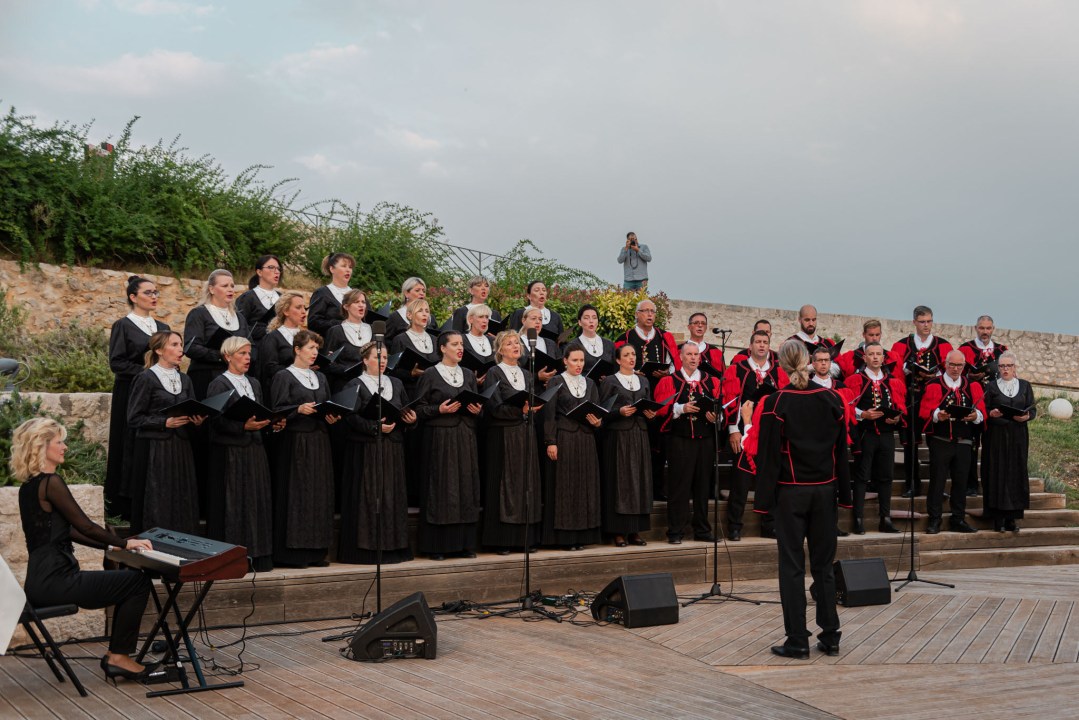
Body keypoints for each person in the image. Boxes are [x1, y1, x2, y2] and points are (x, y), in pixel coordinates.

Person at [12, 417, 157, 683]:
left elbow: (68, 531)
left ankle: (119, 655)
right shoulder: (50, 482)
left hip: (39, 583)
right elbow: (86, 526)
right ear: (42, 447)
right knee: (137, 582)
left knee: (131, 580)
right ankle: (119, 658)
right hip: (59, 582)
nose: (65, 446)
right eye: (59, 441)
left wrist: (112, 545)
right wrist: (127, 543)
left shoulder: (29, 487)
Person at [752, 340, 851, 660]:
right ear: (808, 362)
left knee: (792, 567)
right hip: (825, 491)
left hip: (791, 492)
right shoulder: (832, 398)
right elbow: (842, 452)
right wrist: (845, 493)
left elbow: (767, 456)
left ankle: (797, 639)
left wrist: (763, 502)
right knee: (823, 565)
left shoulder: (775, 402)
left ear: (781, 365)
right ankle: (831, 635)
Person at [338, 342, 417, 564]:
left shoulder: (397, 383)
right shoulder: (355, 384)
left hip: (392, 448)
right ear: (364, 360)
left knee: (392, 497)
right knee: (369, 497)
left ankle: (393, 548)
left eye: (385, 358)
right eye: (377, 357)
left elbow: (402, 411)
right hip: (366, 450)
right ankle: (367, 550)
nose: (382, 361)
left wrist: (410, 420)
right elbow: (350, 418)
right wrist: (374, 427)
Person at [205, 337, 278, 572]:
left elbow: (259, 413)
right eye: (243, 354)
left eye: (249, 354)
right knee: (235, 503)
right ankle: (233, 558)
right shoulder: (218, 384)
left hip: (255, 450)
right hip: (231, 452)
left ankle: (258, 555)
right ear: (228, 356)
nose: (248, 358)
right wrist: (242, 427)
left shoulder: (254, 383)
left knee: (257, 501)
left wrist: (272, 423)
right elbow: (214, 422)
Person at [268, 330, 340, 567]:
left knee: (319, 494)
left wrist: (330, 417)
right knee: (297, 494)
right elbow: (276, 409)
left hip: (320, 441)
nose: (314, 353)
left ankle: (316, 551)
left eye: (317, 349)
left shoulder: (320, 378)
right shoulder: (283, 376)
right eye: (310, 348)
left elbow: (326, 404)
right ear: (297, 350)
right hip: (296, 442)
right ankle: (294, 554)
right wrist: (297, 410)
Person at [412, 331, 484, 561]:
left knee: (465, 487)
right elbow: (418, 409)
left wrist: (477, 411)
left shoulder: (467, 375)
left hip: (466, 437)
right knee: (442, 489)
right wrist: (439, 410)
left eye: (461, 344)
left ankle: (463, 544)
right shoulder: (430, 375)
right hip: (440, 439)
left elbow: (477, 404)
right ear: (442, 348)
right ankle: (437, 545)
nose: (460, 348)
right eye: (455, 344)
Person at [126, 331, 204, 535]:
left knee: (182, 497)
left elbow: (190, 408)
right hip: (155, 448)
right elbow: (134, 418)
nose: (181, 349)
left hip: (181, 448)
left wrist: (196, 420)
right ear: (159, 350)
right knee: (158, 498)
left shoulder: (185, 380)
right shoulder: (146, 378)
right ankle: (156, 549)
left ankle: (184, 548)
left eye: (181, 344)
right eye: (175, 345)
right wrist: (164, 422)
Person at [106, 276, 169, 521]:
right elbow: (117, 362)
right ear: (133, 297)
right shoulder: (123, 325)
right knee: (127, 444)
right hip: (130, 392)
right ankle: (124, 507)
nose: (154, 296)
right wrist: (148, 372)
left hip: (157, 394)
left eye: (156, 292)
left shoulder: (162, 327)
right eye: (148, 292)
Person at [481, 331, 546, 554]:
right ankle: (502, 540)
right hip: (503, 435)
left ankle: (524, 538)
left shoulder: (527, 374)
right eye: (509, 343)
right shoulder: (493, 372)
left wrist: (532, 410)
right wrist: (521, 410)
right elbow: (493, 407)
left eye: (517, 342)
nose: (515, 346)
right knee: (504, 486)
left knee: (526, 484)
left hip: (525, 433)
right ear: (499, 350)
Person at [723, 329, 788, 540]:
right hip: (743, 432)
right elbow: (731, 401)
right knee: (740, 482)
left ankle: (769, 526)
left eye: (765, 342)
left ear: (769, 346)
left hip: (770, 433)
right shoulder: (737, 369)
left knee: (770, 480)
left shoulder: (779, 371)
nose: (761, 345)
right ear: (750, 346)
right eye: (758, 342)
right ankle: (734, 527)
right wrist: (733, 430)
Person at [653, 344, 721, 544]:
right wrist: (681, 409)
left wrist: (715, 416)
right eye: (689, 354)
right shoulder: (669, 381)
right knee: (679, 487)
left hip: (705, 441)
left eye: (696, 354)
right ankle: (675, 531)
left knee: (702, 488)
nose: (693, 358)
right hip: (680, 441)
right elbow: (659, 410)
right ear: (680, 357)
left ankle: (702, 530)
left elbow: (721, 410)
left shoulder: (711, 381)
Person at [614, 299, 680, 501]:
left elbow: (675, 365)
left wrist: (666, 372)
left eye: (653, 311)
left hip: (660, 395)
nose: (650, 315)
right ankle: (635, 491)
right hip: (633, 395)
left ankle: (657, 489)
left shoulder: (664, 337)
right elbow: (615, 368)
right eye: (645, 311)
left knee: (658, 445)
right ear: (636, 314)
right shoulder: (624, 337)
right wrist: (633, 372)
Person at [543, 342, 603, 550]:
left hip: (586, 439)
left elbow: (596, 412)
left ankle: (583, 535)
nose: (579, 364)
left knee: (584, 485)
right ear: (565, 361)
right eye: (575, 360)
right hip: (565, 438)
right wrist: (551, 441)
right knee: (565, 485)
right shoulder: (556, 382)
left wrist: (597, 423)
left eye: (582, 360)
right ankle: (566, 537)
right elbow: (549, 414)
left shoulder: (591, 383)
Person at [918, 350, 985, 534]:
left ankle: (958, 519)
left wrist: (975, 416)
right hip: (941, 441)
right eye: (952, 365)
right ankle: (934, 520)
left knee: (961, 482)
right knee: (937, 482)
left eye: (960, 366)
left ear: (964, 367)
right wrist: (937, 415)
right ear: (945, 365)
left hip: (964, 441)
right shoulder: (933, 385)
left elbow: (982, 413)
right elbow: (924, 413)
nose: (956, 369)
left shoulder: (973, 387)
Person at [891, 306, 953, 498]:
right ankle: (912, 485)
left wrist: (936, 374)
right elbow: (894, 375)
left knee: (937, 444)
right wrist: (908, 371)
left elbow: (950, 371)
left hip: (935, 400)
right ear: (915, 322)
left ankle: (938, 487)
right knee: (910, 444)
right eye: (923, 322)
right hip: (911, 398)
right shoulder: (901, 345)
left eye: (929, 321)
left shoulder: (943, 345)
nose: (927, 325)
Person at [844, 342, 905, 534]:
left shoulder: (893, 381)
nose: (876, 357)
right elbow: (847, 407)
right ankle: (858, 520)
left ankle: (885, 519)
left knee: (886, 477)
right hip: (865, 434)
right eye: (871, 354)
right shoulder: (855, 380)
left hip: (887, 434)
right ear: (865, 357)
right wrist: (863, 414)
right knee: (862, 477)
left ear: (884, 358)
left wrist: (897, 416)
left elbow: (899, 406)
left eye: (879, 354)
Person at [599, 344, 656, 547]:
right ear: (617, 360)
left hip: (639, 435)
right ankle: (618, 531)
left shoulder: (643, 380)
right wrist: (618, 412)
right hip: (618, 437)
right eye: (626, 355)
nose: (631, 358)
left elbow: (648, 404)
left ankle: (635, 530)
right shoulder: (610, 381)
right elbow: (602, 412)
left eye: (633, 354)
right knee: (620, 482)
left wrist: (651, 414)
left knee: (639, 481)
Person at [388, 298, 442, 507]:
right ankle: (412, 494)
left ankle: (430, 491)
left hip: (432, 397)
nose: (425, 314)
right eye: (420, 310)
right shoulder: (401, 339)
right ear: (409, 315)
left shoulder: (435, 339)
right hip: (411, 393)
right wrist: (410, 373)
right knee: (414, 444)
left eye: (427, 311)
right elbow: (392, 370)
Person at [981, 352, 1035, 533]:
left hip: (1018, 435)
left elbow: (1031, 409)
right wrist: (991, 414)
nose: (1005, 369)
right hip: (996, 436)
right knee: (997, 472)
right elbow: (984, 410)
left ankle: (1012, 518)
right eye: (1002, 366)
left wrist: (1027, 416)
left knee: (1016, 473)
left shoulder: (1025, 386)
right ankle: (997, 518)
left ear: (1014, 368)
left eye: (1008, 366)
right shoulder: (990, 387)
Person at [958, 315, 1009, 498]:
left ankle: (992, 483)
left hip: (995, 405)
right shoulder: (965, 349)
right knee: (971, 446)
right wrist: (969, 378)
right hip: (972, 404)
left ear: (993, 328)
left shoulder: (1002, 350)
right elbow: (955, 376)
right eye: (981, 328)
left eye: (988, 328)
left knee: (993, 447)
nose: (985, 331)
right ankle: (971, 484)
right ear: (976, 328)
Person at [182, 269, 250, 399]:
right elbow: (191, 347)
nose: (230, 289)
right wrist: (224, 356)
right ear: (212, 289)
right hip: (206, 375)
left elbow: (252, 346)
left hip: (235, 377)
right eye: (225, 286)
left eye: (232, 286)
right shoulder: (199, 313)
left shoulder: (240, 318)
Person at [234, 254, 283, 365]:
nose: (277, 272)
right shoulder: (247, 298)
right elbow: (240, 328)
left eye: (278, 269)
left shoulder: (282, 298)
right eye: (271, 267)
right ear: (259, 272)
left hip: (278, 354)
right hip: (256, 354)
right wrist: (270, 329)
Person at [324, 289, 373, 393]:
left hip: (369, 387)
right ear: (346, 306)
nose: (361, 305)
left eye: (363, 302)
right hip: (344, 386)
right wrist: (346, 370)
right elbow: (327, 364)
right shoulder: (335, 331)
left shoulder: (373, 330)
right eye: (356, 302)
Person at [258, 292, 308, 392]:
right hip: (283, 391)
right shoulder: (272, 338)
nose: (304, 312)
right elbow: (269, 370)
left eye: (304, 308)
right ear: (286, 311)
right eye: (298, 307)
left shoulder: (307, 338)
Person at [306, 253, 355, 337]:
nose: (348, 270)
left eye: (350, 267)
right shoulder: (322, 293)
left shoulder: (357, 294)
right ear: (332, 269)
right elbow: (313, 323)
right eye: (343, 266)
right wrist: (339, 323)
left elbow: (369, 319)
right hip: (331, 345)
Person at [836, 320, 902, 380]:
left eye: (877, 335)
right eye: (871, 335)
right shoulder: (851, 357)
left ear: (881, 334)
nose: (874, 338)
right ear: (864, 335)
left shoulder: (890, 357)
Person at [386, 276, 439, 343]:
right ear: (406, 294)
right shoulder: (395, 317)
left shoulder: (430, 318)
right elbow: (386, 342)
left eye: (424, 291)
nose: (422, 293)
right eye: (417, 290)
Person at [519, 306, 562, 385]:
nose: (537, 322)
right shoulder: (516, 343)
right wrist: (536, 376)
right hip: (527, 391)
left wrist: (553, 379)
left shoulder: (551, 344)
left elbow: (561, 368)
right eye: (533, 318)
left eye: (540, 319)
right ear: (523, 321)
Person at [788, 305, 838, 370]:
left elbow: (839, 372)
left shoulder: (827, 344)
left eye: (813, 320)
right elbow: (786, 370)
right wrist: (811, 367)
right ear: (799, 320)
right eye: (807, 320)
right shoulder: (789, 344)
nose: (811, 323)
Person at [576, 304, 616, 379]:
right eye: (586, 318)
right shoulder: (573, 345)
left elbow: (615, 369)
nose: (591, 321)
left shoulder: (609, 344)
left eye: (594, 318)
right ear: (580, 322)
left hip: (607, 388)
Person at [463, 304, 497, 385]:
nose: (485, 320)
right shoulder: (461, 340)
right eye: (481, 317)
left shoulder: (493, 341)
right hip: (470, 387)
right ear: (470, 319)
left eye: (487, 317)